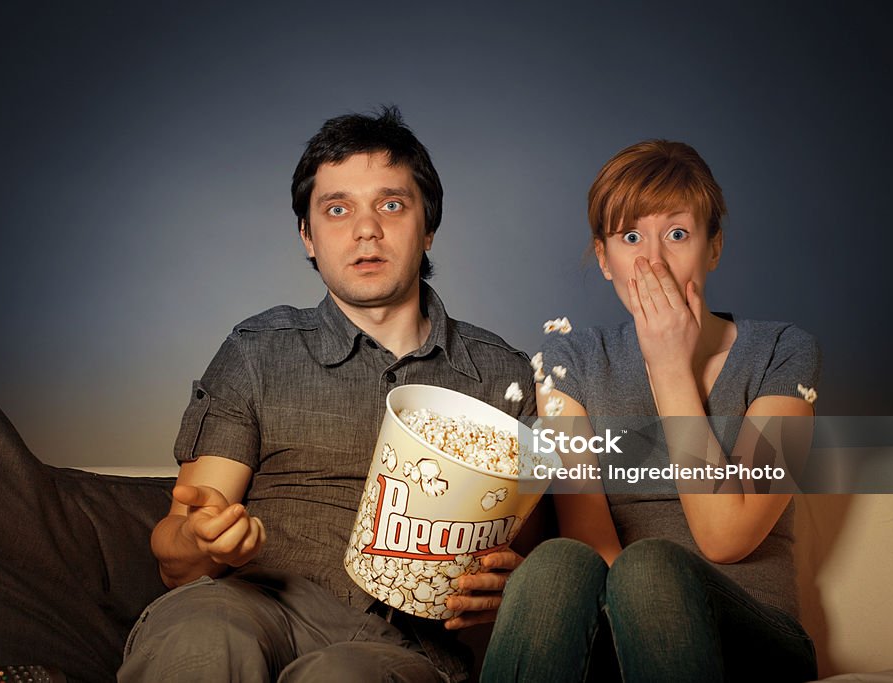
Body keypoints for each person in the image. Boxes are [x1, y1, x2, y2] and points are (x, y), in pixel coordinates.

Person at [117, 106, 536, 682]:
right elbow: (177, 554)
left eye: (391, 204)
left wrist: (508, 584)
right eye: (337, 210)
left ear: (429, 227)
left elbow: (529, 564)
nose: (367, 229)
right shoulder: (256, 351)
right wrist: (204, 539)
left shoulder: (503, 376)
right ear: (308, 237)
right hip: (250, 603)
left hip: (401, 647)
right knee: (200, 637)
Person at [481, 140, 820, 682]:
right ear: (603, 258)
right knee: (556, 562)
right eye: (630, 237)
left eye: (678, 235)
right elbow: (588, 541)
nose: (652, 261)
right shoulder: (570, 361)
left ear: (713, 248)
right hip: (616, 630)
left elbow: (724, 536)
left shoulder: (782, 352)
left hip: (754, 635)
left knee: (650, 566)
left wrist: (669, 365)